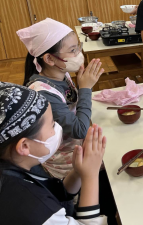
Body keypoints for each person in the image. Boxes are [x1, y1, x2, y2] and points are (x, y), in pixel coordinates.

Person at [0, 82, 107, 224]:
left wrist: (77, 172)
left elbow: (55, 196)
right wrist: (91, 175)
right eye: (52, 124)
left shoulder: (14, 167)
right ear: (25, 146)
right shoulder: (32, 207)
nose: (58, 128)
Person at [17, 18, 104, 180]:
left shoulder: (61, 73)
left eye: (78, 47)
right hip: (65, 164)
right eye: (72, 50)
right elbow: (79, 130)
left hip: (77, 147)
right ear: (49, 59)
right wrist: (85, 88)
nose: (78, 54)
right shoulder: (43, 92)